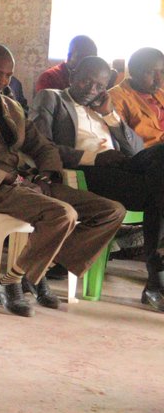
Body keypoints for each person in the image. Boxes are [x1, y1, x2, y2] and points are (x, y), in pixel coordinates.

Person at [0, 44, 125, 316]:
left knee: (111, 212)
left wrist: (47, 173)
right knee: (62, 214)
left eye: (8, 75)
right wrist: (8, 177)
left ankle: (33, 271)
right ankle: (11, 281)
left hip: (24, 183)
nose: (2, 81)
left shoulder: (11, 106)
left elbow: (43, 146)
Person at [30, 55, 164, 311]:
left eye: (99, 86)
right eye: (85, 82)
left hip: (121, 168)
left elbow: (135, 150)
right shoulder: (52, 98)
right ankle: (156, 282)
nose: (92, 90)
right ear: (72, 77)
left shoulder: (104, 106)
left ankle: (156, 282)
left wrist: (110, 115)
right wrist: (94, 158)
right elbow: (41, 145)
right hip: (86, 171)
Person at [108, 47, 164, 147]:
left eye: (162, 72)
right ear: (133, 72)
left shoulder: (159, 93)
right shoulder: (116, 98)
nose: (159, 79)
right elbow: (123, 141)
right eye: (150, 72)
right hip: (150, 156)